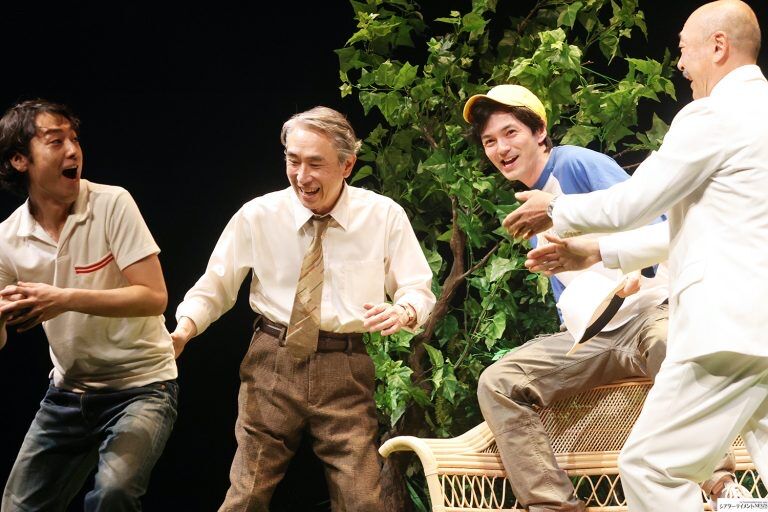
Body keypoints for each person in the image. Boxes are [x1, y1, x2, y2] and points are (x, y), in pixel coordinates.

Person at [503, 1, 767, 510]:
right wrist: (598, 251)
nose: (681, 64)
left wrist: (554, 209)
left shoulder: (714, 114)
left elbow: (636, 202)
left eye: (684, 50)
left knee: (649, 467)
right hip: (756, 330)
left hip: (727, 328)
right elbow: (706, 230)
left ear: (718, 46)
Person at [464, 84, 746, 511]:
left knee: (672, 342)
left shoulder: (575, 164)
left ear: (539, 132)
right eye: (489, 141)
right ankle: (553, 505)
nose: (501, 148)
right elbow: (572, 290)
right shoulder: (529, 206)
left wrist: (640, 271)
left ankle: (720, 484)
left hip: (649, 311)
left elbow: (659, 222)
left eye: (510, 133)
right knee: (499, 382)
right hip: (595, 335)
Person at [170, 106, 436, 511]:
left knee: (363, 499)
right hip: (272, 360)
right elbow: (215, 286)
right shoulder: (259, 215)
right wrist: (183, 330)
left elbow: (417, 288)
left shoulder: (382, 216)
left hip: (344, 366)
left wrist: (404, 311)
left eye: (315, 163)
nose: (301, 175)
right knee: (247, 493)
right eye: (293, 161)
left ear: (347, 165)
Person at [0, 99, 178, 511]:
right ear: (19, 159)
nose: (73, 150)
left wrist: (62, 299)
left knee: (114, 493)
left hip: (142, 386)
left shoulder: (111, 203)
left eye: (74, 139)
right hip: (67, 393)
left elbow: (154, 296)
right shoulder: (8, 238)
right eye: (55, 141)